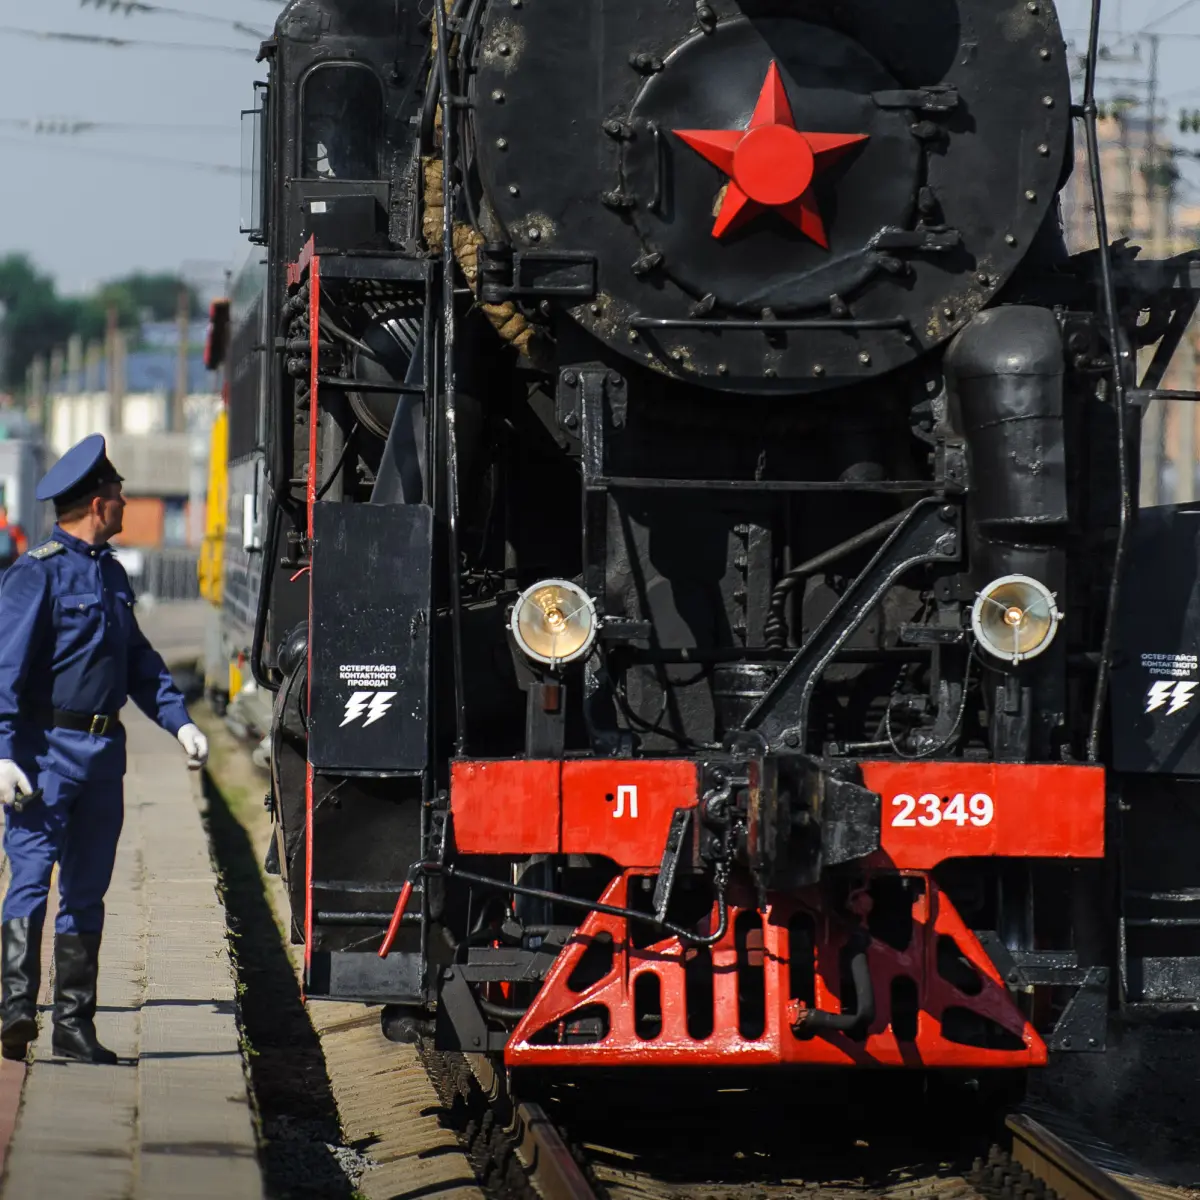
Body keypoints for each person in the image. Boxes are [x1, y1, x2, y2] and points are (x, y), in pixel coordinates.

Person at [0, 434, 209, 1065]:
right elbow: (5, 667)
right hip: (42, 755)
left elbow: (140, 664)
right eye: (118, 494)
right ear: (98, 503)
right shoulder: (35, 573)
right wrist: (2, 751)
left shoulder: (112, 575)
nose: (124, 502)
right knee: (32, 878)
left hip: (100, 757)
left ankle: (73, 1024)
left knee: (88, 890)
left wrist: (179, 722)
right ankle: (14, 1009)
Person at [0, 506, 28, 572]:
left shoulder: (13, 528)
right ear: (6, 513)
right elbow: (21, 545)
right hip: (9, 560)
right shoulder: (13, 528)